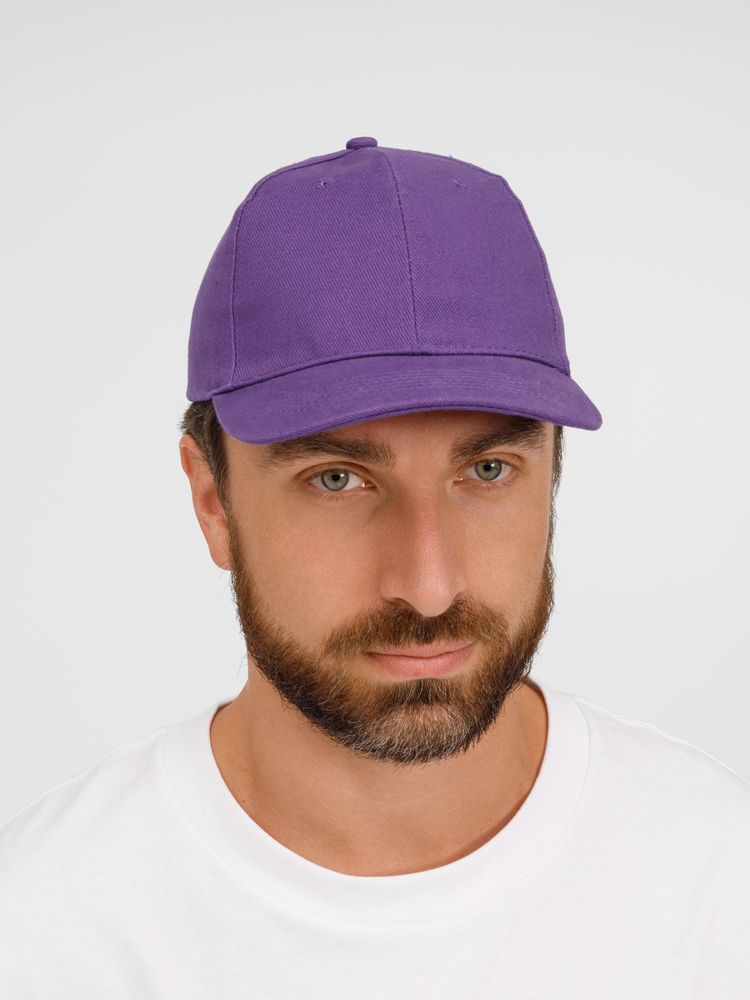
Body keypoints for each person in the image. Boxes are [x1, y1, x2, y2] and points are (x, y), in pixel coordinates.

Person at [1, 135, 748, 997]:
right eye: (337, 479)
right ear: (213, 501)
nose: (428, 587)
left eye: (488, 470)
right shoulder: (45, 930)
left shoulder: (718, 885)